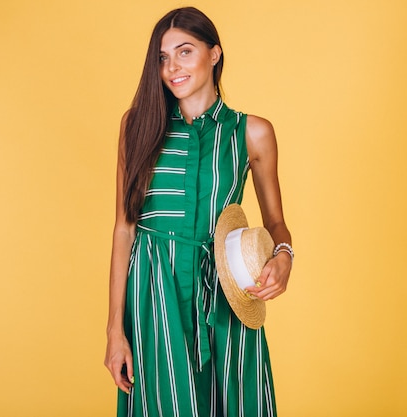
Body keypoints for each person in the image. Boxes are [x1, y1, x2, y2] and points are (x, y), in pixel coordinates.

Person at [104, 7, 293, 417]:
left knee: (235, 401)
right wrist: (114, 329)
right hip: (154, 293)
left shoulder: (252, 132)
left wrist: (283, 256)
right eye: (162, 57)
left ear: (214, 54)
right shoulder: (136, 125)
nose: (172, 67)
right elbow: (124, 229)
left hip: (223, 292)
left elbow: (276, 222)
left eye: (185, 52)